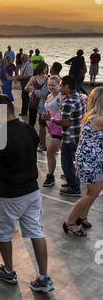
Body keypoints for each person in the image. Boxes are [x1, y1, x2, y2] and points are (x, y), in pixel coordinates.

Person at [0, 95, 54, 293]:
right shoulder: (28, 129)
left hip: (10, 195)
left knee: (4, 233)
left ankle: (8, 271)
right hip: (32, 191)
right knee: (36, 231)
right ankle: (44, 277)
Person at [63, 87, 103, 236]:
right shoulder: (98, 119)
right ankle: (71, 222)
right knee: (92, 193)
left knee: (92, 191)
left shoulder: (91, 115)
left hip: (92, 159)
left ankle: (83, 216)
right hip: (89, 161)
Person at [46, 75, 85, 197]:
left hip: (69, 136)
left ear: (67, 86)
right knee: (71, 162)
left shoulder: (69, 100)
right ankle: (73, 182)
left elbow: (64, 122)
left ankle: (74, 188)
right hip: (77, 134)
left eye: (62, 85)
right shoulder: (78, 96)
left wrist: (50, 119)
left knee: (66, 163)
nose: (60, 87)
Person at [42, 76, 63, 187]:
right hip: (51, 126)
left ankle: (50, 176)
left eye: (53, 85)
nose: (50, 87)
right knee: (65, 151)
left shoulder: (61, 97)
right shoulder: (49, 95)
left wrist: (83, 96)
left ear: (59, 85)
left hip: (58, 128)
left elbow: (80, 96)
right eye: (49, 85)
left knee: (50, 152)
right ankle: (71, 172)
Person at [25, 62, 48, 127]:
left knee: (42, 122)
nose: (46, 69)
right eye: (45, 67)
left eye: (47, 68)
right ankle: (30, 134)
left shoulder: (47, 79)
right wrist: (31, 89)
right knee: (32, 121)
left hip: (43, 101)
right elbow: (26, 88)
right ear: (41, 68)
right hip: (33, 101)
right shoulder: (34, 78)